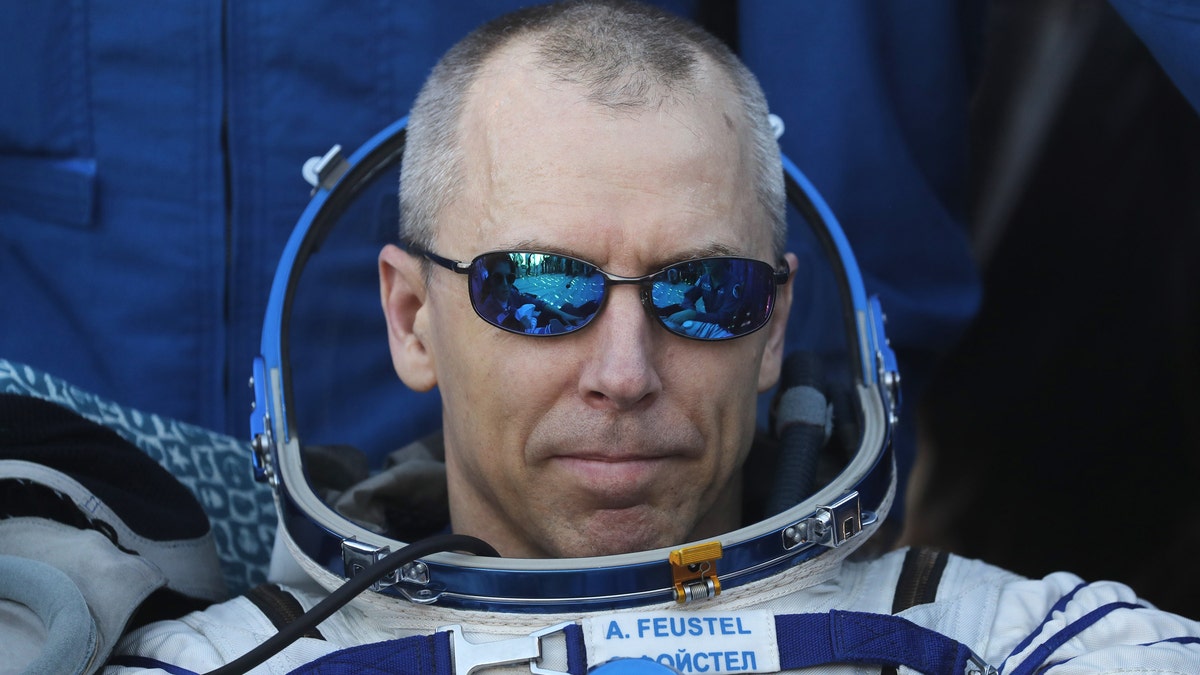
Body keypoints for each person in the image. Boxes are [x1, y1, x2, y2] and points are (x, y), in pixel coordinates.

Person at [106, 2, 1200, 673]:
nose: (624, 374)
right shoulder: (221, 661)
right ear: (412, 320)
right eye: (538, 290)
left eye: (703, 293)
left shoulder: (1029, 644)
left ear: (773, 327)